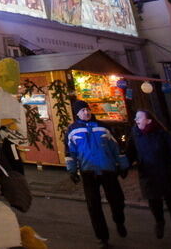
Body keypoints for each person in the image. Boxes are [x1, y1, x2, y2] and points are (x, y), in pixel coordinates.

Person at [65, 99, 129, 249]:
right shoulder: (72, 130)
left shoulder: (103, 127)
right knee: (94, 205)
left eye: (87, 110)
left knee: (117, 200)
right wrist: (72, 170)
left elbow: (115, 147)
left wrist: (123, 164)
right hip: (88, 171)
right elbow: (70, 152)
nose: (86, 112)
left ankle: (119, 220)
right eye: (82, 111)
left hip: (107, 169)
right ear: (77, 113)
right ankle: (102, 237)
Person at [126, 110, 171, 247]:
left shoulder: (162, 135)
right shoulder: (135, 134)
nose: (136, 120)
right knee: (154, 204)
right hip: (148, 176)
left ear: (149, 120)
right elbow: (130, 153)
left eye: (139, 117)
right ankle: (159, 221)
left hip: (167, 175)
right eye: (136, 117)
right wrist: (123, 167)